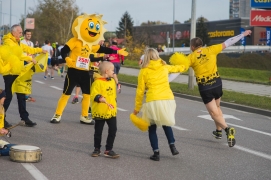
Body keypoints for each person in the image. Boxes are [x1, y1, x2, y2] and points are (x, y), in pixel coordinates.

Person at [175, 30, 252, 147]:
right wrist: (243, 34)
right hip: (217, 83)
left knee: (213, 112)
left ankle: (227, 129)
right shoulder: (211, 49)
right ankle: (218, 131)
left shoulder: (191, 57)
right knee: (217, 108)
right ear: (201, 44)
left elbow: (179, 69)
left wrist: (165, 75)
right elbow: (229, 42)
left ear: (192, 47)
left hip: (205, 87)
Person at [50, 14, 128, 125]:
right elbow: (64, 50)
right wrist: (66, 58)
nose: (93, 30)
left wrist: (117, 51)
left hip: (85, 72)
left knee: (87, 95)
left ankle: (84, 116)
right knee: (66, 94)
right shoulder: (75, 40)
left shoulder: (91, 44)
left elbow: (102, 48)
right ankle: (57, 115)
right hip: (73, 71)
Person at [132, 48, 188, 161]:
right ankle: (172, 146)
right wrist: (185, 63)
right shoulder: (164, 66)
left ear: (146, 57)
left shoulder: (143, 71)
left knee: (152, 128)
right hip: (167, 99)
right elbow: (179, 68)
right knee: (166, 123)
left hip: (153, 101)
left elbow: (140, 92)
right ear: (157, 55)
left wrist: (137, 108)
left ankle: (156, 153)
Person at [1, 24, 46, 128]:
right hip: (10, 73)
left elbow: (27, 49)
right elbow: (18, 55)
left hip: (18, 73)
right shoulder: (8, 42)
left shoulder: (17, 42)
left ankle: (24, 118)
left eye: (21, 32)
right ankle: (1, 119)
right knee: (8, 97)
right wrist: (30, 59)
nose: (21, 34)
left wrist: (40, 50)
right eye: (20, 32)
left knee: (21, 95)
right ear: (13, 32)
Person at [90, 61, 119, 158]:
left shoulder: (111, 80)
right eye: (112, 70)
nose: (114, 72)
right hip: (100, 111)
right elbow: (94, 94)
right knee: (98, 131)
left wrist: (116, 80)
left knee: (113, 129)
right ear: (106, 71)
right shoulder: (97, 82)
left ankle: (108, 149)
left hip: (110, 111)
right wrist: (99, 98)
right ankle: (97, 148)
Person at [20, 29, 35, 102]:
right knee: (24, 79)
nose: (29, 35)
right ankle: (23, 95)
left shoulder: (31, 43)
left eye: (30, 34)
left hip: (30, 62)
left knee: (28, 79)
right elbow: (21, 54)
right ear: (25, 35)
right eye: (27, 34)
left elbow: (32, 52)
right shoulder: (22, 42)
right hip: (24, 62)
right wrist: (27, 60)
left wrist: (33, 60)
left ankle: (26, 95)